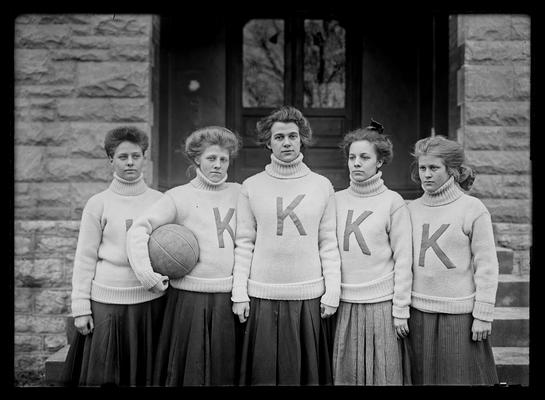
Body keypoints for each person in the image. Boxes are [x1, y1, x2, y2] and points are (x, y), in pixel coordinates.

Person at [231, 105, 341, 385]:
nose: (287, 142)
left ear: (302, 138)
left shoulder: (321, 185)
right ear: (268, 142)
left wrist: (332, 291)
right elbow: (244, 243)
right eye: (279, 137)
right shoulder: (252, 186)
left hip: (308, 297)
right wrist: (239, 293)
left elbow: (328, 243)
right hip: (262, 295)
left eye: (292, 136)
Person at [126, 126, 243, 386]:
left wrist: (242, 291)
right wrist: (148, 275)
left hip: (228, 298)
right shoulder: (178, 196)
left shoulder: (240, 193)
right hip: (188, 299)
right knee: (187, 373)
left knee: (225, 373)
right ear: (197, 159)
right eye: (211, 158)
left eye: (224, 159)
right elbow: (138, 230)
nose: (218, 165)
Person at [62, 126, 165, 386]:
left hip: (149, 303)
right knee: (108, 377)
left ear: (144, 158)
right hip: (107, 305)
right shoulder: (99, 203)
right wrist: (81, 308)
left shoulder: (160, 200)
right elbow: (85, 258)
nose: (130, 162)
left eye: (136, 156)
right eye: (122, 157)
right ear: (111, 159)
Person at [407, 135, 499, 385]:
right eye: (423, 168)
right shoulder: (410, 209)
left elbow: (487, 266)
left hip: (459, 315)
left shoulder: (472, 208)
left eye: (434, 168)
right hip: (419, 312)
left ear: (453, 171)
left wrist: (483, 314)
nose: (426, 174)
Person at [332, 120, 412, 385]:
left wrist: (400, 307)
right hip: (344, 303)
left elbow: (403, 259)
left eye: (365, 157)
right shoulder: (335, 199)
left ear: (379, 162)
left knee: (383, 373)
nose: (356, 163)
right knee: (346, 373)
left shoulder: (393, 202)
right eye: (352, 157)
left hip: (381, 304)